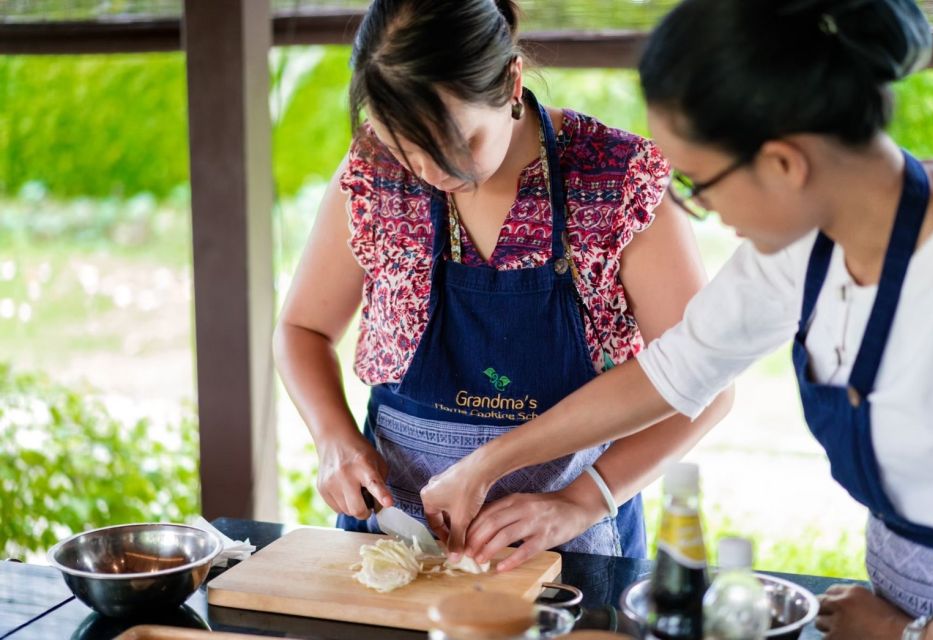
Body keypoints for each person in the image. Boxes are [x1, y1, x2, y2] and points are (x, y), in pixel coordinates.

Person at [419, 0, 933, 638]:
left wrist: (910, 634)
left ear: (785, 164)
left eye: (698, 183)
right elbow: (673, 371)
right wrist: (488, 464)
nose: (690, 204)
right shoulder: (805, 249)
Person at [274, 0, 730, 562]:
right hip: (393, 544)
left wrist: (582, 501)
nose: (432, 174)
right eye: (403, 148)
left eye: (457, 145)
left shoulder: (617, 181)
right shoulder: (374, 172)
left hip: (566, 551)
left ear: (512, 81)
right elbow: (302, 329)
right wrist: (333, 438)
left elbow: (707, 386)